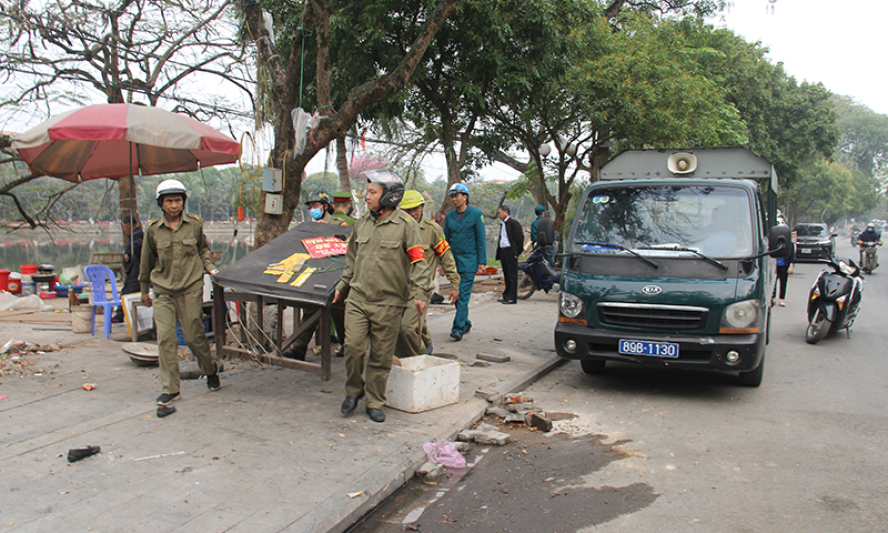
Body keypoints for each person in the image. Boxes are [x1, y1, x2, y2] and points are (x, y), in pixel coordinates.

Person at [332, 170, 432, 423]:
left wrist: (421, 293)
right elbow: (352, 258)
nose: (366, 197)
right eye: (367, 192)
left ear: (389, 196)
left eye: (372, 192)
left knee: (380, 356)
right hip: (358, 299)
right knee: (353, 347)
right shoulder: (362, 223)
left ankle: (375, 401)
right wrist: (343, 285)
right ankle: (354, 390)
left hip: (389, 302)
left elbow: (419, 262)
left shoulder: (407, 226)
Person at [140, 179, 221, 409]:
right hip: (163, 289)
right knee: (166, 338)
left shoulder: (194, 224)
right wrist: (144, 290)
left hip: (190, 287)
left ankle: (210, 369)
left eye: (177, 200)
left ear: (183, 201)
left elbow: (202, 250)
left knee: (194, 336)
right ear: (161, 203)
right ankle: (171, 389)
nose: (174, 205)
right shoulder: (153, 229)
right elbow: (146, 260)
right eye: (169, 201)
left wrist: (212, 269)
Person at [395, 190, 460, 357]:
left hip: (420, 288)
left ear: (422, 207)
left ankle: (422, 357)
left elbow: (446, 256)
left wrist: (454, 284)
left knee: (407, 328)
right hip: (398, 287)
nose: (412, 213)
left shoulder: (432, 230)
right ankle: (426, 343)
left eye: (416, 209)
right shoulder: (395, 229)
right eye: (407, 210)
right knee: (411, 323)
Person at [443, 183, 486, 341]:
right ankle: (466, 322)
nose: (454, 199)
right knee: (457, 296)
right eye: (452, 196)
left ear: (465, 197)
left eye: (457, 196)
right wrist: (442, 263)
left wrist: (482, 262)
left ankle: (458, 328)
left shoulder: (476, 214)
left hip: (469, 262)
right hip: (453, 263)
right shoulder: (450, 216)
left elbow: (481, 239)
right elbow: (445, 241)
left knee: (462, 295)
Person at [112, 213, 143, 323]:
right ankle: (120, 314)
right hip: (132, 271)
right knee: (126, 291)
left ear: (128, 224)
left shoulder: (138, 235)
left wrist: (129, 254)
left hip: (136, 271)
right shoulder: (134, 235)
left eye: (124, 226)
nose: (124, 229)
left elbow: (138, 246)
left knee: (127, 292)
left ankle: (119, 315)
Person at [496, 204, 524, 305]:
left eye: (499, 213)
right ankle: (506, 296)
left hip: (510, 251)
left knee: (512, 275)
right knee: (506, 275)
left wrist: (517, 252)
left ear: (506, 212)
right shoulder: (503, 224)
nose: (498, 215)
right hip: (503, 251)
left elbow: (520, 238)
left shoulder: (513, 223)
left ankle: (512, 297)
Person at [775, 232, 796, 307]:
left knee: (783, 283)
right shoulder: (774, 243)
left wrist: (791, 266)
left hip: (784, 265)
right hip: (774, 265)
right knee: (773, 282)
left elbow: (792, 256)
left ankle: (781, 299)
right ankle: (773, 297)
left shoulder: (789, 244)